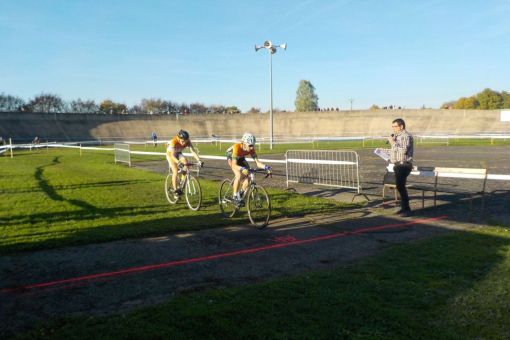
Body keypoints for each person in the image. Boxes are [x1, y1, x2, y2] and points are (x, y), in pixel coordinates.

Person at [226, 132, 271, 206]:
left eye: (253, 145)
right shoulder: (237, 147)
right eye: (250, 146)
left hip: (240, 158)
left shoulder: (251, 149)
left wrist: (266, 167)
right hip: (231, 158)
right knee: (239, 175)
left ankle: (240, 194)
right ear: (244, 143)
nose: (252, 148)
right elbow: (234, 165)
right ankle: (234, 197)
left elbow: (257, 162)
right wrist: (241, 168)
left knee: (249, 176)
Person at [387, 118, 414, 217]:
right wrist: (384, 152)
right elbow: (396, 150)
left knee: (400, 186)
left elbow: (403, 151)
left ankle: (407, 209)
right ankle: (404, 208)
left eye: (395, 126)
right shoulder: (397, 137)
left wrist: (392, 142)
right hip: (397, 164)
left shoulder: (405, 136)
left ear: (401, 126)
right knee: (400, 186)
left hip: (404, 165)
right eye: (392, 126)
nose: (393, 128)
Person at [166, 130, 203, 195]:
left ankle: (181, 183)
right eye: (182, 141)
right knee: (175, 171)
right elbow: (172, 155)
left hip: (179, 153)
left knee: (186, 164)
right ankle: (176, 191)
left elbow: (193, 151)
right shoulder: (174, 141)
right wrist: (178, 162)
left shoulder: (187, 141)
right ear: (179, 138)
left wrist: (199, 160)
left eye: (185, 141)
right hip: (171, 154)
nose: (183, 143)